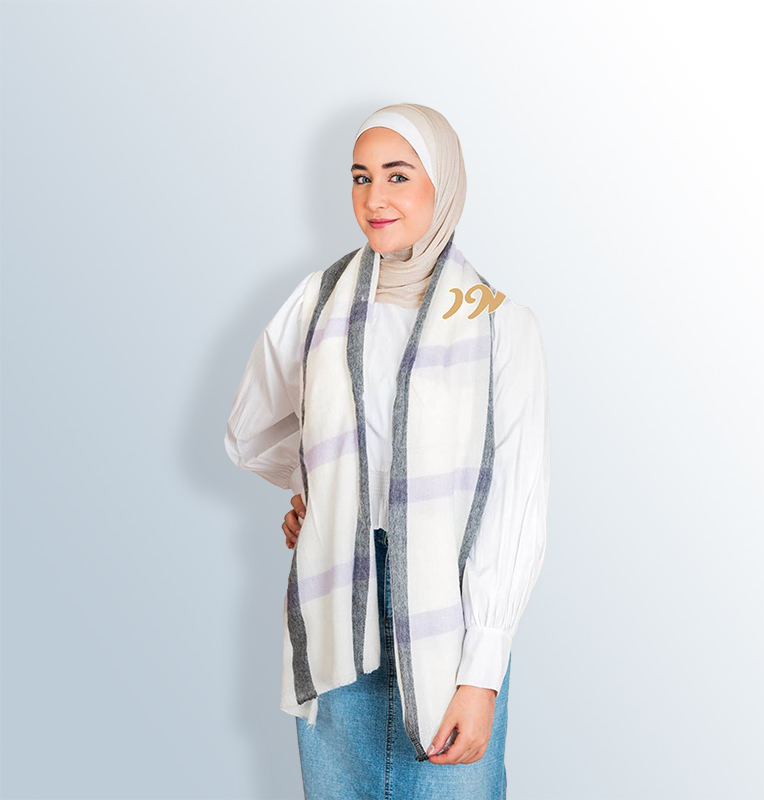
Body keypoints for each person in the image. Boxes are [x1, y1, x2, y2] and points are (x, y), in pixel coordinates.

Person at [224, 103, 550, 799]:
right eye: (361, 177)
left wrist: (482, 674)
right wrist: (318, 491)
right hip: (336, 599)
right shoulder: (319, 303)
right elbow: (251, 427)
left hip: (450, 612)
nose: (375, 198)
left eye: (399, 176)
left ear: (443, 183)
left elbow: (515, 509)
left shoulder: (500, 325)